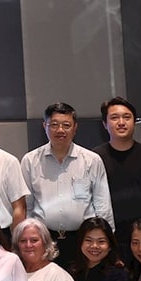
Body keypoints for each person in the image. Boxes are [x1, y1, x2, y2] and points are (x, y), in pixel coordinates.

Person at [21, 103, 113, 269]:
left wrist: (107, 240)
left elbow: (102, 205)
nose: (60, 130)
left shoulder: (91, 160)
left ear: (75, 128)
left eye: (66, 125)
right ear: (44, 126)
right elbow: (27, 206)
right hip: (44, 240)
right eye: (54, 125)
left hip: (83, 241)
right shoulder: (30, 160)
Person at [93, 98, 141, 229]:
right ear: (105, 124)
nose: (121, 123)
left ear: (134, 122)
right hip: (109, 231)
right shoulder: (95, 158)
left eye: (127, 117)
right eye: (114, 118)